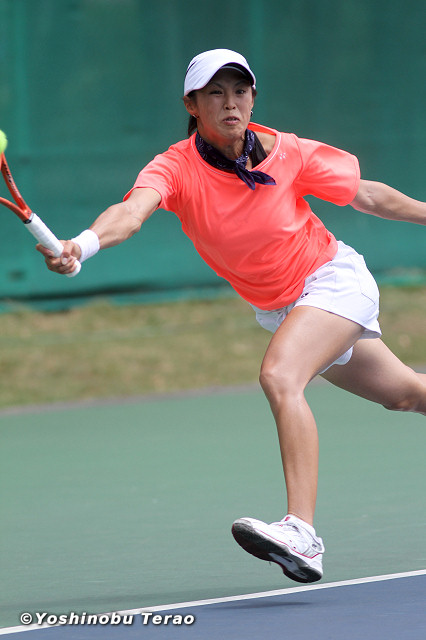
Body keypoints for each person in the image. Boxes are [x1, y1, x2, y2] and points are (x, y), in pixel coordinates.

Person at [37, 49, 426, 584]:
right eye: (215, 93)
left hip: (333, 281)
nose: (230, 103)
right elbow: (130, 213)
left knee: (280, 376)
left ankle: (302, 533)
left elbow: (367, 195)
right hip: (283, 307)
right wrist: (81, 246)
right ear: (191, 105)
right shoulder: (175, 167)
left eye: (240, 91)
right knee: (406, 393)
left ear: (253, 99)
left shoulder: (288, 152)